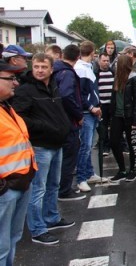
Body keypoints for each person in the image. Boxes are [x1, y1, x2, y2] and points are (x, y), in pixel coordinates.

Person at [12, 53, 75, 246]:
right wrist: (44, 126)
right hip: (40, 146)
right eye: (36, 66)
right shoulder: (26, 90)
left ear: (51, 69)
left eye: (43, 67)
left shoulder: (52, 86)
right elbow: (19, 118)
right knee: (37, 189)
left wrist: (62, 125)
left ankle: (51, 217)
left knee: (53, 185)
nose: (39, 70)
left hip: (56, 144)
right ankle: (37, 229)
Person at [0, 59, 37, 264]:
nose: (15, 83)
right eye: (10, 79)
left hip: (19, 183)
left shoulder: (6, 107)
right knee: (2, 246)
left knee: (11, 240)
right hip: (6, 189)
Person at [53, 45, 86, 201]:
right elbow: (66, 96)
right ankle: (64, 190)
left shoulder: (56, 70)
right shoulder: (67, 73)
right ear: (78, 56)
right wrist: (78, 115)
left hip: (59, 120)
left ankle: (61, 187)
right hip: (68, 121)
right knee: (69, 156)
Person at [108, 55, 136, 182]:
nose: (115, 65)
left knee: (132, 143)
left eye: (118, 63)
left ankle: (133, 171)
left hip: (130, 116)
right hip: (117, 116)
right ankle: (122, 170)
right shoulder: (117, 78)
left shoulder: (135, 78)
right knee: (113, 142)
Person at [74, 41, 103, 193]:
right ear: (92, 52)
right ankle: (81, 178)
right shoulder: (80, 69)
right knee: (85, 146)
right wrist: (91, 107)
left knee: (89, 145)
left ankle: (89, 173)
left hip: (91, 111)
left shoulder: (87, 67)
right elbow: (81, 94)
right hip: (87, 112)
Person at [95, 53, 114, 157]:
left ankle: (118, 144)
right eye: (104, 60)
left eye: (107, 61)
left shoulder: (113, 73)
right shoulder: (96, 74)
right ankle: (105, 146)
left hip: (112, 104)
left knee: (115, 126)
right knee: (103, 127)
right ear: (99, 61)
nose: (106, 63)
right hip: (102, 105)